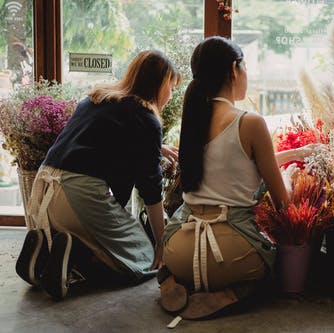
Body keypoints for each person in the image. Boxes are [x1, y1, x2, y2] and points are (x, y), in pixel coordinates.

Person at [159, 36, 314, 320]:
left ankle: (170, 281)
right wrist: (289, 175)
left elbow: (232, 166)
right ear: (234, 69)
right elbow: (283, 202)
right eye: (245, 68)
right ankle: (231, 293)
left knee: (176, 262)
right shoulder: (251, 122)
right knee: (272, 268)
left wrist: (296, 152)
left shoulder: (192, 121)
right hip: (231, 257)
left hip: (180, 250)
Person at [15, 50, 180, 300]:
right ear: (158, 84)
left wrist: (157, 148)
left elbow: (97, 141)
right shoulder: (146, 119)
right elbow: (151, 188)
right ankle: (75, 262)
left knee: (103, 238)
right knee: (143, 257)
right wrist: (160, 244)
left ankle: (47, 253)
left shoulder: (97, 97)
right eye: (171, 86)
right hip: (79, 195)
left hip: (45, 189)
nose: (171, 94)